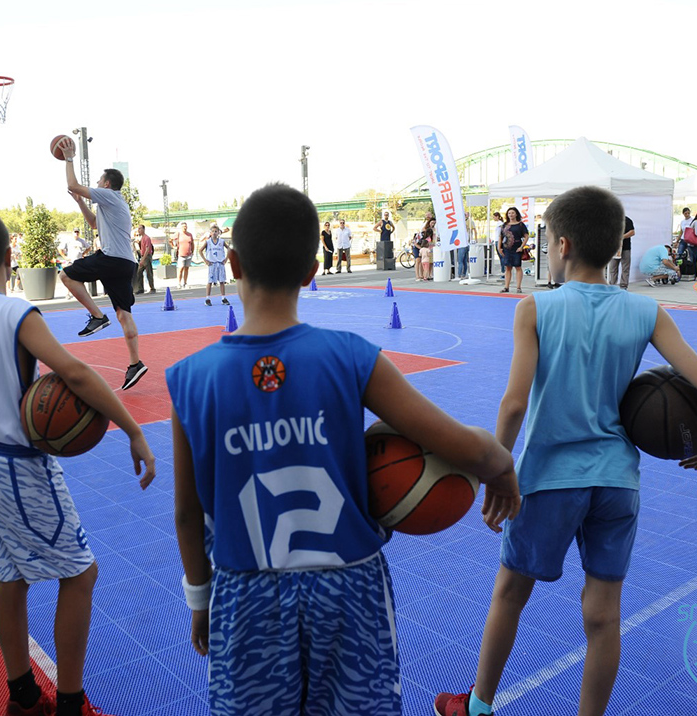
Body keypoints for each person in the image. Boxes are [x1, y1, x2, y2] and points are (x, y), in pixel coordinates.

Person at [167, 184, 515, 716]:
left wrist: (200, 600)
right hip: (349, 586)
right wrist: (502, 466)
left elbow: (188, 514)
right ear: (312, 270)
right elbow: (456, 442)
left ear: (232, 262)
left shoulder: (190, 380)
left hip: (246, 591)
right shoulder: (352, 357)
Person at [433, 186, 697, 716]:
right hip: (617, 481)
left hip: (550, 477)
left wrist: (495, 469)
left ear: (562, 244)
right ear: (614, 246)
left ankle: (478, 706)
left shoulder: (536, 308)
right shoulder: (646, 312)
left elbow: (512, 405)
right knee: (603, 615)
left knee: (510, 590)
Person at [0, 209, 156, 716]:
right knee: (80, 575)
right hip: (17, 465)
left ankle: (22, 697)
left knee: (10, 577)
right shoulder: (16, 312)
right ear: (9, 256)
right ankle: (69, 703)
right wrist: (132, 429)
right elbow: (76, 372)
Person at [57, 140, 148, 390]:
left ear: (106, 184)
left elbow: (72, 184)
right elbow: (94, 224)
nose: (96, 184)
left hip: (111, 258)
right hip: (125, 263)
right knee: (123, 314)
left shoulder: (108, 195)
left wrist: (68, 157)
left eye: (98, 181)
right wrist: (79, 202)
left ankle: (97, 316)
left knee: (65, 276)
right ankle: (135, 364)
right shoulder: (113, 203)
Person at [198, 224, 230, 306]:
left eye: (216, 231)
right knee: (210, 281)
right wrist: (205, 260)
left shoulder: (222, 241)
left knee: (222, 281)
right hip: (212, 264)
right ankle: (207, 298)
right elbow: (200, 250)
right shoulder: (208, 242)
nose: (214, 233)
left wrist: (226, 259)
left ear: (219, 232)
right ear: (210, 233)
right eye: (213, 231)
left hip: (220, 263)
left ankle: (223, 298)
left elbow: (229, 249)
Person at [499, 207, 528, 293]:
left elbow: (526, 236)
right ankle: (506, 287)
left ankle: (518, 287)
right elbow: (500, 237)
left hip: (517, 248)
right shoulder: (505, 225)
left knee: (518, 267)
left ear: (516, 214)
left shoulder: (520, 225)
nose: (511, 215)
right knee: (508, 267)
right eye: (509, 213)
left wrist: (522, 247)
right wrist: (499, 247)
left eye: (512, 213)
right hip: (507, 248)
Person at [606, 214, 635, 289]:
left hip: (625, 248)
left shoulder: (626, 220)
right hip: (614, 248)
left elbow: (632, 232)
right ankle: (612, 285)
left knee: (625, 267)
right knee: (613, 267)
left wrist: (622, 237)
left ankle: (623, 285)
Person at [133, 224, 155, 294]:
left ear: (143, 229)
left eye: (140, 229)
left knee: (149, 272)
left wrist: (143, 258)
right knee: (139, 272)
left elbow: (148, 248)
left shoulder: (147, 238)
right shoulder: (141, 238)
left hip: (146, 256)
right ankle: (140, 288)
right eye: (138, 229)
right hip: (143, 256)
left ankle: (152, 288)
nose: (139, 230)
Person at [176, 222, 194, 289]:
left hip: (188, 254)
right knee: (180, 269)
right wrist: (175, 247)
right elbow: (171, 240)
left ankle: (185, 283)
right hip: (181, 255)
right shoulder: (178, 234)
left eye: (185, 226)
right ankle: (179, 283)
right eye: (183, 226)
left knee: (186, 268)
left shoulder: (189, 235)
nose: (184, 227)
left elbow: (192, 243)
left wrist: (192, 251)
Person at [489, 211, 504, 278]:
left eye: (494, 217)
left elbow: (503, 228)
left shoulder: (500, 223)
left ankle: (503, 271)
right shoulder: (498, 223)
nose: (493, 218)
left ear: (497, 217)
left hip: (499, 241)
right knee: (500, 256)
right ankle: (503, 270)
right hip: (497, 240)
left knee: (501, 256)